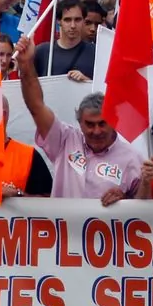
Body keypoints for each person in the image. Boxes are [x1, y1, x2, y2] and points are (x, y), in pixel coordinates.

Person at [15, 38, 141, 205]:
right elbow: (36, 106)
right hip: (62, 229)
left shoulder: (132, 159)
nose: (96, 131)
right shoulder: (64, 139)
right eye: (89, 124)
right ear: (79, 123)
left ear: (114, 121)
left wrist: (125, 201)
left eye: (102, 123)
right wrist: (26, 65)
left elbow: (145, 209)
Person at [33, 0, 95, 79]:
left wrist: (87, 82)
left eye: (77, 20)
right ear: (59, 21)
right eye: (67, 20)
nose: (73, 26)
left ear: (84, 21)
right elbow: (30, 84)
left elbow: (103, 88)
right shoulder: (42, 52)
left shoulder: (95, 53)